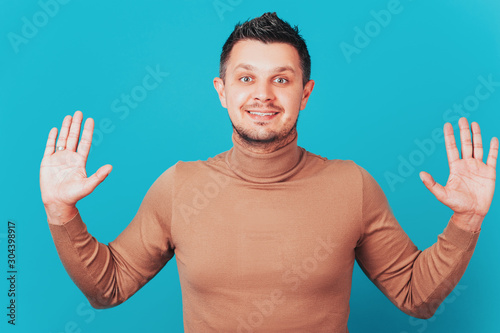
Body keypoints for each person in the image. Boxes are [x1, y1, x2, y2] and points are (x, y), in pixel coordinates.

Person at [40, 12, 498, 332]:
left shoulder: (351, 185)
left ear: (305, 92)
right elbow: (109, 288)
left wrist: (467, 220)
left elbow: (417, 297)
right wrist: (61, 212)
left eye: (281, 79)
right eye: (245, 78)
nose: (263, 94)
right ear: (221, 90)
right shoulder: (180, 186)